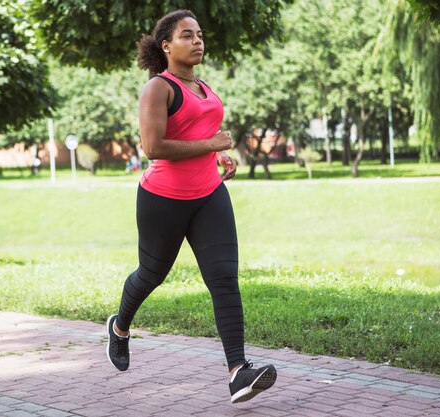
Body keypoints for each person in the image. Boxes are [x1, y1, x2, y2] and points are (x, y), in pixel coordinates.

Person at [105, 9, 277, 404]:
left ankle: (238, 372)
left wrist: (217, 157)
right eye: (187, 35)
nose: (198, 41)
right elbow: (154, 147)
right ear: (166, 45)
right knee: (152, 274)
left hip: (209, 194)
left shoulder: (202, 86)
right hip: (163, 199)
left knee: (223, 277)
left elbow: (199, 132)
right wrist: (213, 145)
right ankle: (119, 327)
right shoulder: (158, 89)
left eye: (199, 34)